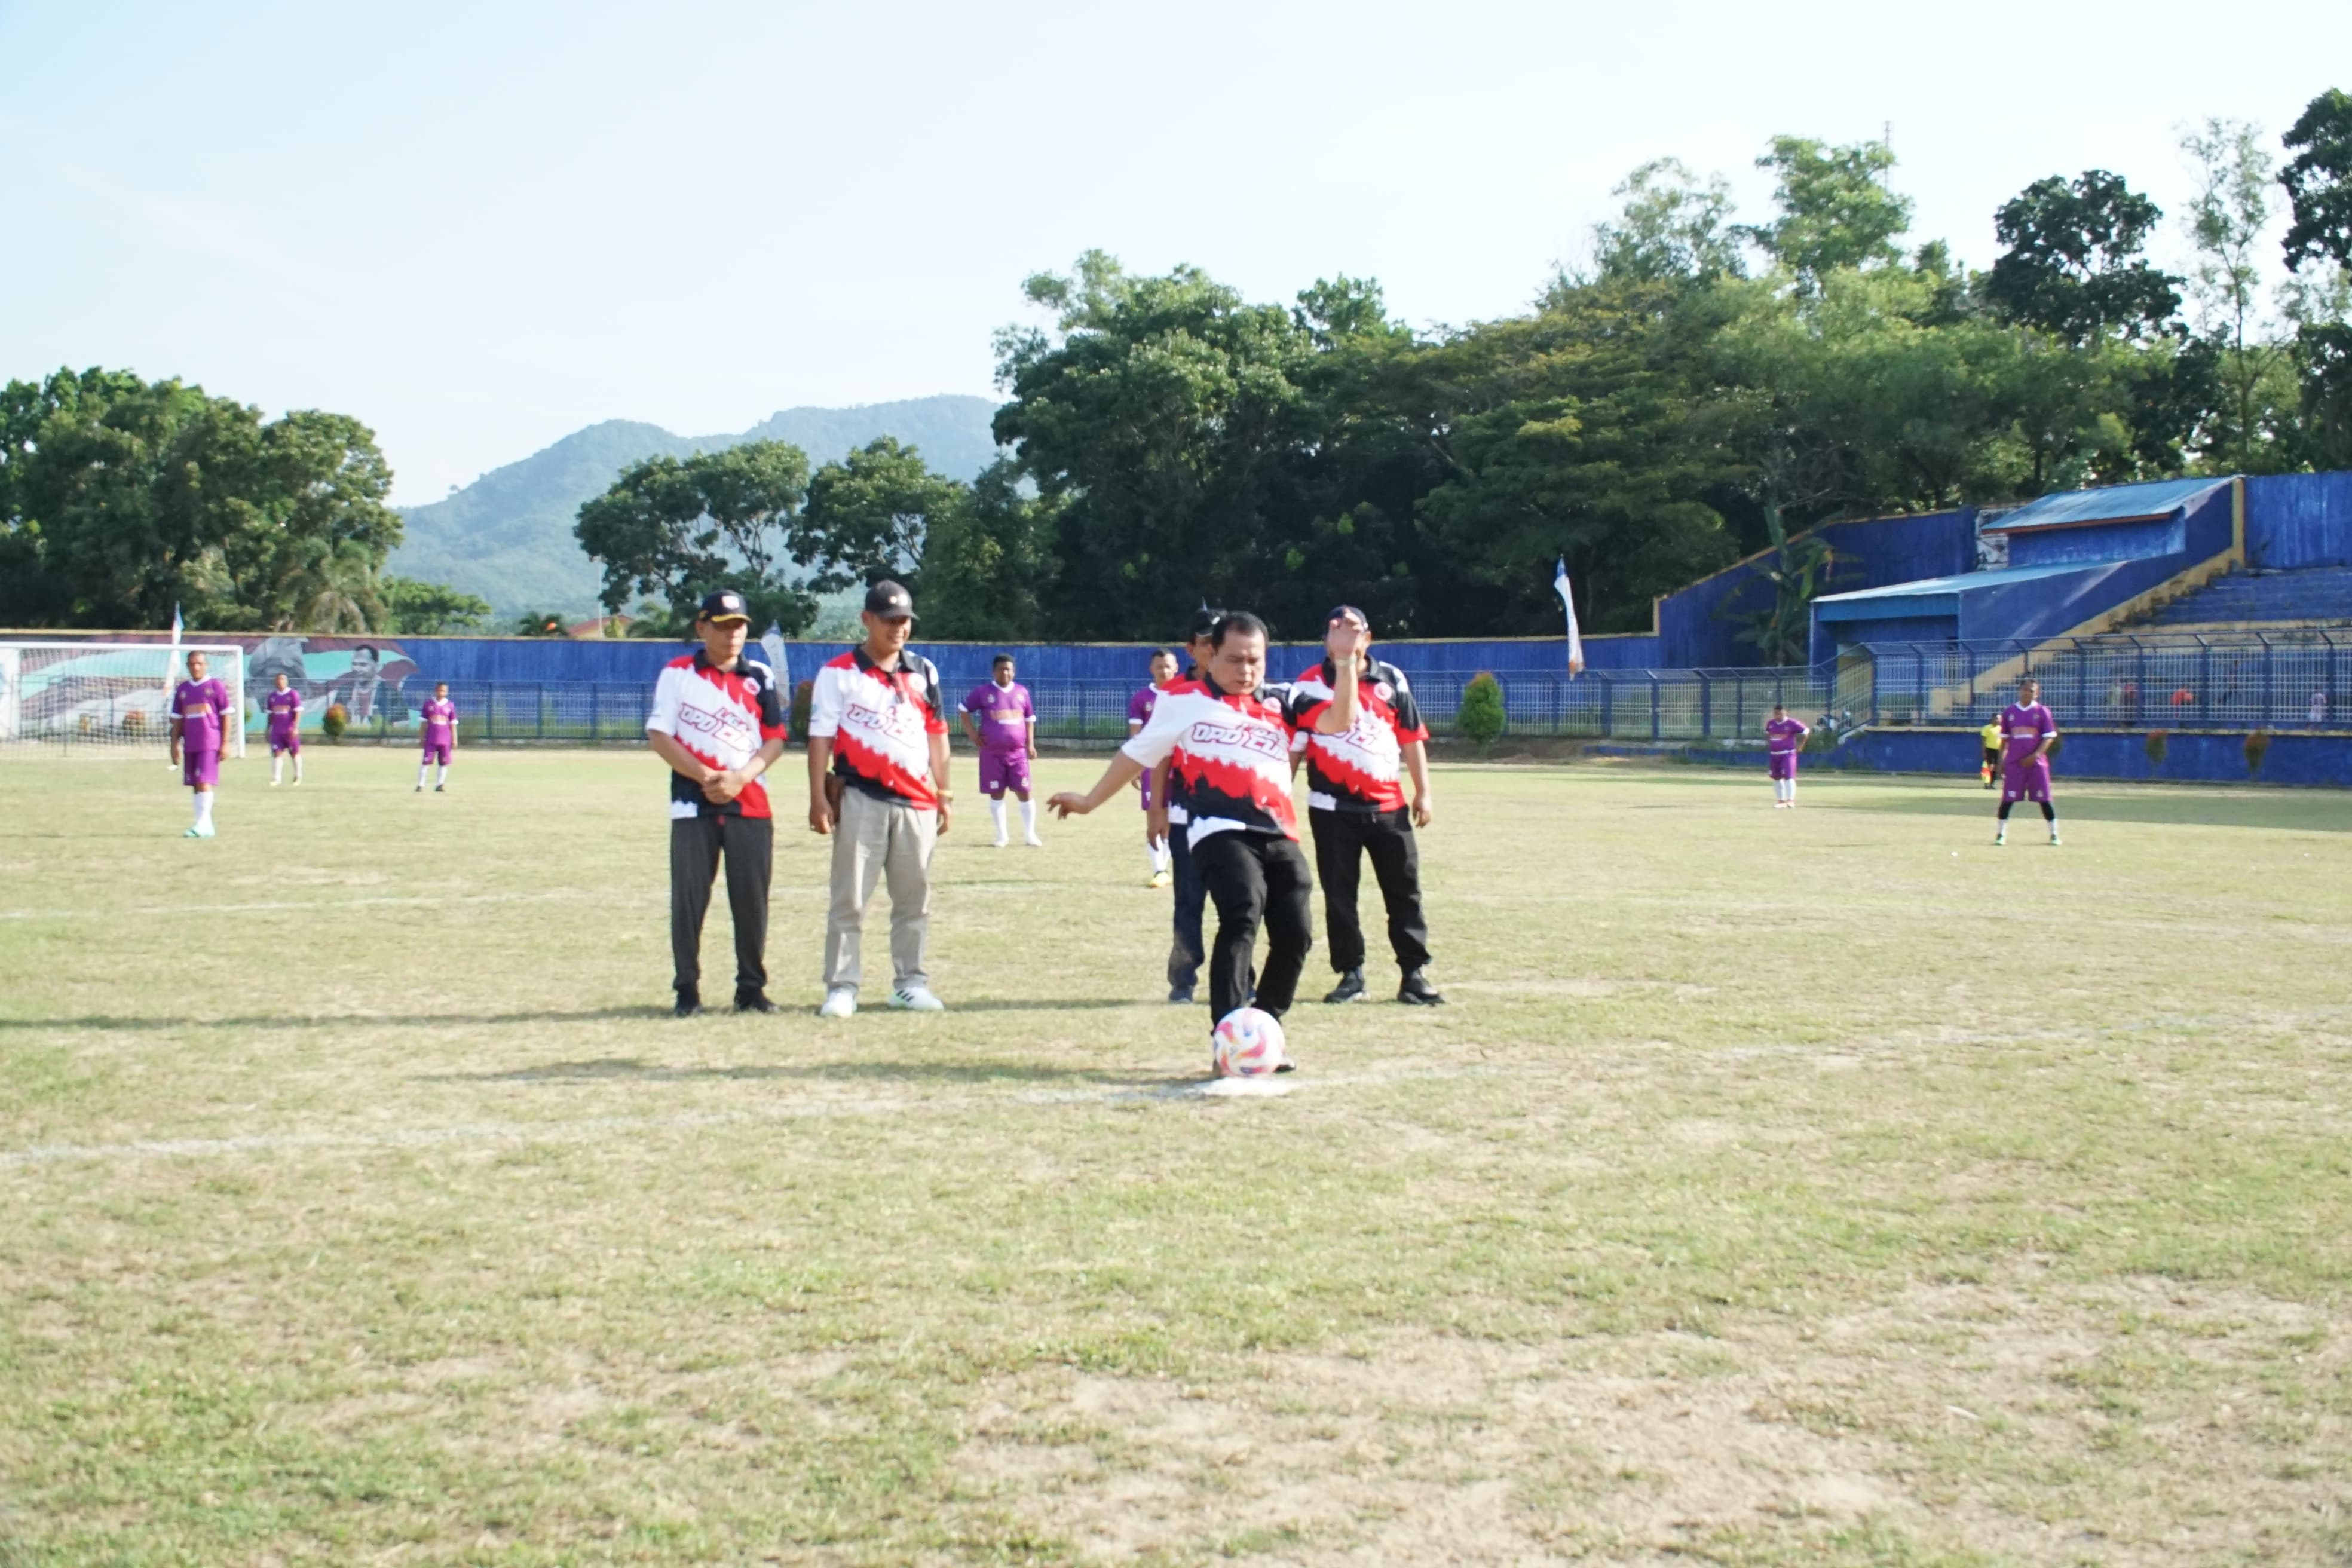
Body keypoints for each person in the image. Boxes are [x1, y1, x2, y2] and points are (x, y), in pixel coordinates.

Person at [1054, 612, 1361, 1064]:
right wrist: (1089, 800)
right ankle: (1229, 1031)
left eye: (1255, 660)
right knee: (1243, 909)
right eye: (1235, 659)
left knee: (1297, 932)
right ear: (1211, 655)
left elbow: (1338, 722)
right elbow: (1135, 755)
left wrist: (1346, 660)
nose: (1246, 670)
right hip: (1216, 828)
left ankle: (1264, 1027)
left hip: (1277, 829)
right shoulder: (1184, 701)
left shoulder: (1284, 700)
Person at [807, 580, 953, 1018]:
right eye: (889, 620)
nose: (899, 628)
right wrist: (818, 798)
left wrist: (944, 792)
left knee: (914, 900)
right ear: (867, 619)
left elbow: (938, 736)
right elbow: (820, 740)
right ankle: (843, 986)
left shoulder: (924, 670)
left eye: (905, 620)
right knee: (850, 898)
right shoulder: (838, 672)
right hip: (861, 797)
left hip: (917, 802)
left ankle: (910, 983)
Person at [1286, 606, 1442, 1005]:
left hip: (1389, 808)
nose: (1344, 636)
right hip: (1331, 809)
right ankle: (1351, 973)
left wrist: (1423, 790)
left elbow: (1410, 736)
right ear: (1325, 639)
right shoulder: (1307, 685)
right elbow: (1295, 750)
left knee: (1404, 892)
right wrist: (1277, 798)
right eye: (1335, 629)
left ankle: (1413, 974)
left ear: (1368, 639)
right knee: (1340, 895)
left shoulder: (1391, 678)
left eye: (1353, 629)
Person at [644, 589, 789, 1016]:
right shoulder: (678, 673)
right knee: (689, 899)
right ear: (702, 627)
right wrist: (706, 776)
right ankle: (686, 990)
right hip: (693, 803)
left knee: (751, 900)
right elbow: (660, 734)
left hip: (751, 803)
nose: (733, 635)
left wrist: (740, 777)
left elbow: (777, 738)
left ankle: (751, 989)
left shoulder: (759, 676)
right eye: (724, 627)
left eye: (740, 625)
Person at [1147, 608, 1223, 1003]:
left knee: (1239, 905)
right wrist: (1157, 811)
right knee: (1188, 901)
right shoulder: (1173, 694)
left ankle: (1238, 978)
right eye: (1206, 641)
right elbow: (1161, 754)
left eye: (1218, 639)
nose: (1213, 648)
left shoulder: (1244, 688)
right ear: (1192, 649)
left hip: (1234, 816)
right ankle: (1183, 981)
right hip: (1186, 814)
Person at [960, 654, 1041, 848]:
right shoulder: (983, 693)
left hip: (1018, 754)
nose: (1005, 673)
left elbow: (1030, 719)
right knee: (997, 793)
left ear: (1014, 672)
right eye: (1001, 669)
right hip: (992, 754)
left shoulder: (1022, 692)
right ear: (994, 671)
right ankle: (1002, 836)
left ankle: (1030, 835)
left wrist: (1030, 744)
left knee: (1024, 791)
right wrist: (972, 734)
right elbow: (963, 709)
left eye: (1009, 669)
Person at [169, 650, 233, 838]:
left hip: (210, 741)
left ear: (206, 665)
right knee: (196, 783)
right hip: (191, 742)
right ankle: (204, 824)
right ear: (188, 666)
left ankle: (203, 824)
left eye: (200, 664)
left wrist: (225, 743)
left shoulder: (216, 686)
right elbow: (178, 720)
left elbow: (226, 716)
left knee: (204, 781)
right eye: (192, 664)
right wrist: (174, 745)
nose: (196, 667)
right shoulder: (183, 690)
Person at [1129, 648, 1179, 887]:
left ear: (1176, 668)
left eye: (1168, 666)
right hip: (1152, 766)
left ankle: (1164, 868)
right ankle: (1159, 869)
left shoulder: (1185, 696)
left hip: (1179, 766)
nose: (1164, 670)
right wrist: (1134, 766)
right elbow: (1135, 737)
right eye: (1159, 666)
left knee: (1172, 819)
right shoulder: (1141, 699)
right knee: (1154, 818)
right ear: (1152, 669)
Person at [1995, 676, 2060, 847]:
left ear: (2037, 694)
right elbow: (2004, 740)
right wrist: (2001, 761)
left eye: (2032, 691)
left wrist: (2035, 756)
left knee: (2044, 799)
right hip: (2015, 763)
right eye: (2026, 690)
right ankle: (2001, 834)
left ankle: (2054, 834)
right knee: (2008, 799)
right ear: (2020, 691)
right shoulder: (2010, 712)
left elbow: (2048, 739)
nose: (2028, 693)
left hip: (2036, 764)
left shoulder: (2042, 712)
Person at [1763, 702, 1809, 808]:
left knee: (1789, 776)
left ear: (1785, 713)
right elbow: (1767, 734)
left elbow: (1806, 731)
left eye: (1780, 714)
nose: (1778, 716)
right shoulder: (1771, 723)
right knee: (1776, 777)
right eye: (1776, 714)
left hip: (1788, 754)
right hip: (1774, 754)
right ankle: (1781, 801)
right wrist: (1770, 744)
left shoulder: (1792, 723)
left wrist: (1801, 745)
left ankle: (1790, 800)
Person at [416, 683, 457, 792]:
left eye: (444, 691)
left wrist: (455, 739)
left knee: (444, 762)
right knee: (426, 762)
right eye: (440, 690)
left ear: (447, 692)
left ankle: (440, 784)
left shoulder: (450, 705)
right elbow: (424, 723)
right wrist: (421, 737)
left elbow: (453, 724)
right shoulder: (429, 704)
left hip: (445, 740)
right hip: (431, 738)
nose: (441, 693)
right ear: (436, 691)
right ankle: (421, 785)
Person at [265, 670, 304, 786]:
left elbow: (298, 712)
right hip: (277, 731)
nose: (280, 682)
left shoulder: (293, 695)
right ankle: (277, 778)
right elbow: (270, 714)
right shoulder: (272, 697)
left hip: (290, 730)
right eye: (278, 679)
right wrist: (268, 728)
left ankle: (298, 776)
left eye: (283, 679)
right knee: (277, 753)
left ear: (286, 681)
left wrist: (296, 727)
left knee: (294, 753)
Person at [1979, 713, 2002, 789]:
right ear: (1992, 719)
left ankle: (1992, 784)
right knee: (1991, 766)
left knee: (1996, 767)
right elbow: (1984, 741)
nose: (1997, 720)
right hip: (1990, 750)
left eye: (1998, 719)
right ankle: (1987, 783)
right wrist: (1984, 751)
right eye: (1995, 719)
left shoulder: (2002, 729)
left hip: (1998, 750)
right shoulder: (1987, 728)